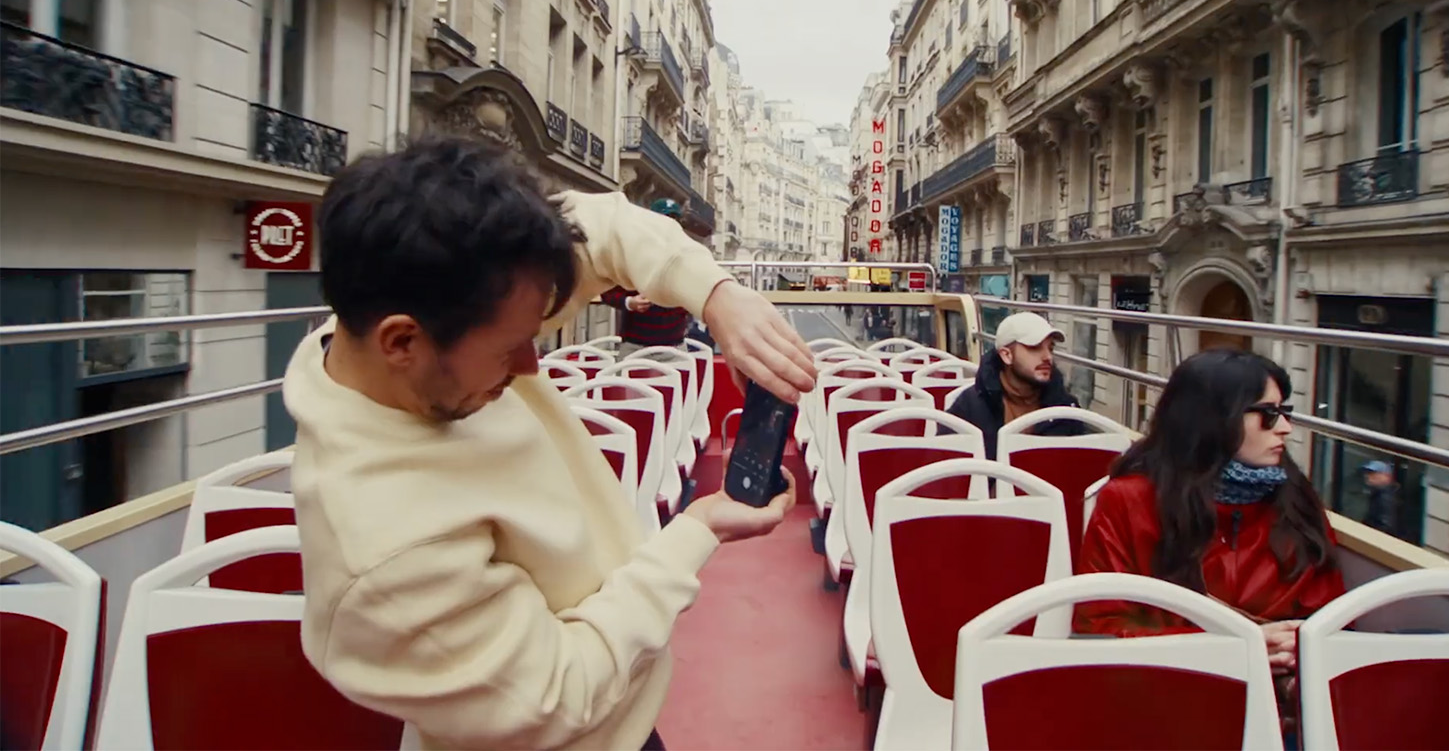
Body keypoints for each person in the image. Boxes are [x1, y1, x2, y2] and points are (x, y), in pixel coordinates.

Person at [283, 136, 818, 751]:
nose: (532, 367)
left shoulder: (426, 300)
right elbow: (562, 693)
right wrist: (698, 531)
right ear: (401, 342)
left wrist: (718, 296)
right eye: (510, 348)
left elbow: (601, 227)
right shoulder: (381, 557)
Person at [1074, 348, 1346, 673]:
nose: (1285, 427)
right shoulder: (1128, 501)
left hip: (1285, 689)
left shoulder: (1297, 498)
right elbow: (1099, 628)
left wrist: (1295, 655)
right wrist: (1236, 649)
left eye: (1284, 412)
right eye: (1268, 414)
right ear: (1215, 419)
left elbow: (1334, 617)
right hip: (1168, 684)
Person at [946, 311, 1087, 459]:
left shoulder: (1066, 409)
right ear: (1007, 355)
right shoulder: (971, 405)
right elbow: (944, 461)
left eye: (1050, 348)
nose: (1048, 357)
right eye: (1035, 347)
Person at [600, 198, 694, 357]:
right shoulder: (631, 253)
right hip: (635, 348)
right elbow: (607, 292)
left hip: (674, 348)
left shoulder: (686, 256)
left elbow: (697, 293)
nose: (669, 225)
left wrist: (684, 302)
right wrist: (630, 302)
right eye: (663, 219)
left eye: (674, 220)